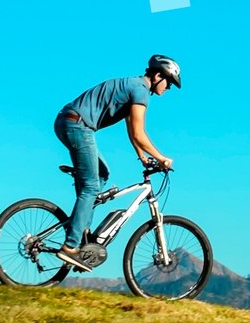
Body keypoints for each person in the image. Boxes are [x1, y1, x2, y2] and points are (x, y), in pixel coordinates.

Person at [51, 54, 182, 270]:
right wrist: (161, 158)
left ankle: (82, 231)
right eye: (169, 82)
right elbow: (140, 134)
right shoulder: (140, 90)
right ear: (158, 75)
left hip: (70, 122)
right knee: (92, 185)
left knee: (101, 175)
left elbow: (132, 129)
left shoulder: (135, 87)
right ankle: (70, 246)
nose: (168, 88)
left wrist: (142, 157)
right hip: (77, 125)